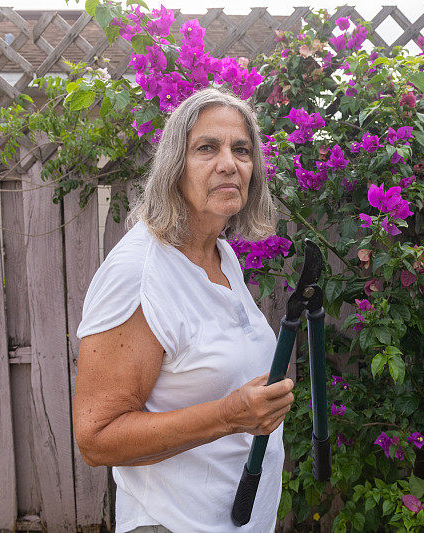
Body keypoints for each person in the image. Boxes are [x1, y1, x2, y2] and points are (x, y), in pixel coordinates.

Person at [73, 87, 295, 533]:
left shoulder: (220, 254)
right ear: (175, 166)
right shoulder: (139, 272)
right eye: (206, 148)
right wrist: (229, 415)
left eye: (241, 150)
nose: (229, 163)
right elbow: (97, 439)